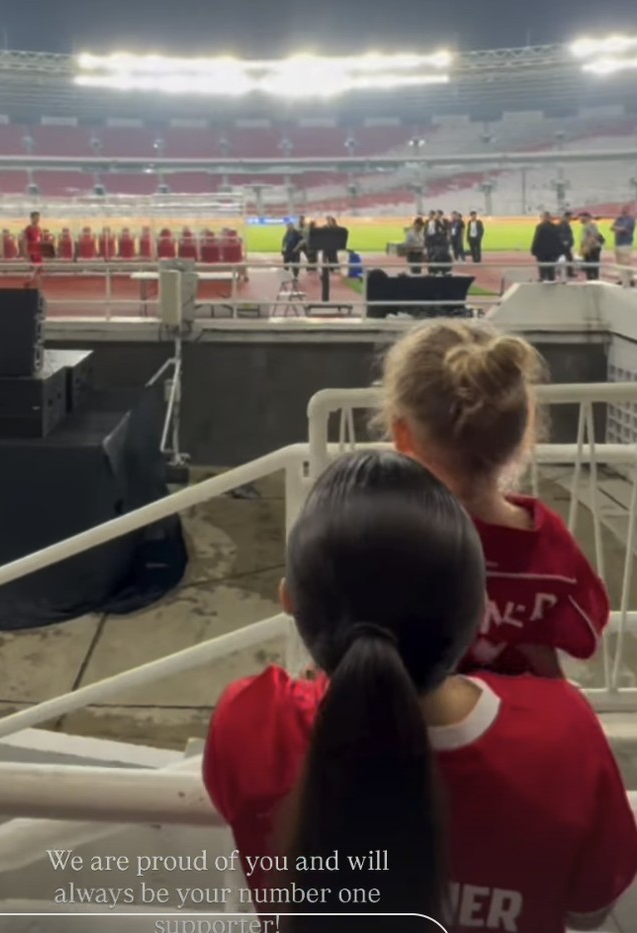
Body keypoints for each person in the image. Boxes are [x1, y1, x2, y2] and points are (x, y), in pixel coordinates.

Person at [204, 450, 637, 933]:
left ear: (290, 602)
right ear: (476, 614)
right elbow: (590, 911)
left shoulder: (249, 725)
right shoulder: (564, 738)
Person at [382, 320, 609, 677]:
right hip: (521, 727)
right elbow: (586, 636)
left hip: (412, 724)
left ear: (402, 434)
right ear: (522, 434)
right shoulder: (549, 547)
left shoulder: (384, 541)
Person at [531, 212, 563, 282]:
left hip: (542, 252)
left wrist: (533, 250)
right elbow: (558, 240)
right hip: (552, 252)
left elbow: (537, 239)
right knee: (551, 268)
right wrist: (558, 251)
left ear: (544, 217)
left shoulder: (540, 227)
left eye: (541, 217)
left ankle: (543, 279)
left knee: (543, 268)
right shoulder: (555, 227)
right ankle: (551, 279)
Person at [611, 205, 635, 286]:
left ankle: (629, 280)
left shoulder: (630, 219)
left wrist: (617, 228)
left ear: (628, 210)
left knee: (626, 262)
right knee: (619, 263)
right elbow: (612, 228)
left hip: (626, 243)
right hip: (618, 243)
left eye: (624, 209)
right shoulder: (619, 219)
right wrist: (619, 229)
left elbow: (625, 230)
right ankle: (622, 279)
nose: (622, 210)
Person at [580, 213, 603, 281]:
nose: (581, 219)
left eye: (582, 217)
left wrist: (588, 247)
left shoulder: (591, 225)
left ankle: (594, 280)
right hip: (589, 248)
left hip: (592, 248)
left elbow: (593, 237)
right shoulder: (586, 226)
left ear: (587, 218)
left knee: (592, 266)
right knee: (589, 266)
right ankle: (591, 279)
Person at [23, 210, 43, 288]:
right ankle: (38, 286)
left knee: (38, 270)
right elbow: (25, 240)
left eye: (38, 218)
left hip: (38, 252)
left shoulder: (39, 228)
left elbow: (40, 240)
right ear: (31, 218)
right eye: (36, 218)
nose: (37, 219)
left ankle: (29, 282)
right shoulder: (28, 228)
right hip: (32, 252)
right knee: (35, 269)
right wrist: (25, 252)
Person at [557, 211, 576, 277]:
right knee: (568, 258)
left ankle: (567, 272)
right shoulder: (563, 224)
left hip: (565, 244)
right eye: (570, 217)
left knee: (565, 258)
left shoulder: (563, 223)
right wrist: (565, 242)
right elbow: (562, 234)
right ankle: (569, 272)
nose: (571, 219)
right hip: (564, 245)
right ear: (566, 217)